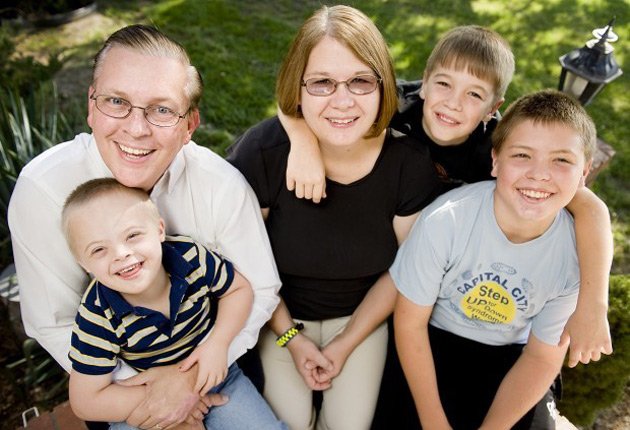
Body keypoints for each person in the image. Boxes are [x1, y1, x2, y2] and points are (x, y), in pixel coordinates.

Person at [281, 24, 612, 370]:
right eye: (443, 84)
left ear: (492, 108)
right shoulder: (391, 105)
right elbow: (294, 95)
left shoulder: (497, 151)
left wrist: (592, 304)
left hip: (434, 272)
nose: (453, 103)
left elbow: (591, 207)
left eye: (473, 94)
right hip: (369, 237)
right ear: (424, 81)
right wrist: (302, 143)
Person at [8, 25, 281, 429]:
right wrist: (152, 395)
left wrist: (189, 381)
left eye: (162, 110)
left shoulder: (220, 186)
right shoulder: (42, 190)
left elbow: (257, 287)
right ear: (91, 105)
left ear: (190, 125)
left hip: (214, 358)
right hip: (119, 384)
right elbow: (55, 321)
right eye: (117, 101)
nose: (136, 128)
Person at [226, 5, 442, 429]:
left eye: (360, 81)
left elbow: (405, 270)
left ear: (383, 85)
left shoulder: (408, 165)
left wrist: (346, 343)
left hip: (362, 318)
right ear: (299, 88)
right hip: (277, 313)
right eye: (322, 82)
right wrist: (290, 337)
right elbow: (241, 260)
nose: (342, 101)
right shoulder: (265, 153)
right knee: (282, 423)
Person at [393, 89, 596, 429]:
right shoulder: (447, 220)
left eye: (561, 160)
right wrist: (433, 421)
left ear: (584, 173)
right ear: (495, 160)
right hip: (432, 342)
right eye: (521, 155)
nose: (539, 174)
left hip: (513, 357)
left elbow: (542, 356)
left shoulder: (578, 253)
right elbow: (409, 323)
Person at [63, 178, 286, 430]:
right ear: (84, 264)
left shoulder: (189, 257)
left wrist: (218, 343)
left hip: (212, 374)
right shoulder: (97, 314)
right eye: (98, 250)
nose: (121, 253)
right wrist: (169, 401)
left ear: (159, 230)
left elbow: (238, 289)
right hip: (146, 399)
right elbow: (85, 402)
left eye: (133, 235)